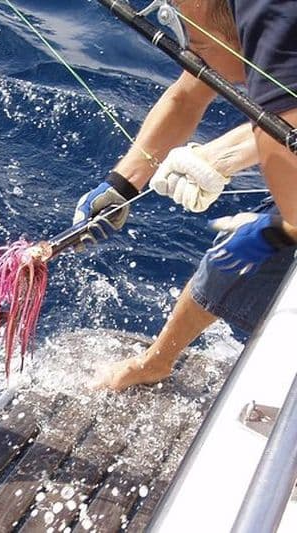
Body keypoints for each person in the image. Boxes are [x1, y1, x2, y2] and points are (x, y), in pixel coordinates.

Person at [73, 0, 297, 391]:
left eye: (192, 38)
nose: (188, 50)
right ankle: (155, 362)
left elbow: (285, 133)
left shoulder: (272, 26)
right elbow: (187, 95)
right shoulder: (233, 18)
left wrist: (279, 230)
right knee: (230, 260)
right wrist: (123, 184)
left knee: (254, 248)